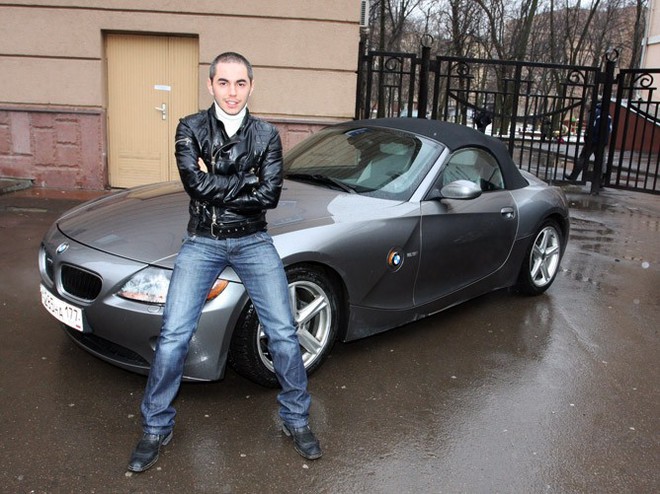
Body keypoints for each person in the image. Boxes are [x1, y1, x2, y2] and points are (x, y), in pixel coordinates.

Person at [127, 52, 321, 473]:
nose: (232, 92)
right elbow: (193, 184)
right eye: (223, 82)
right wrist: (246, 180)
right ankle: (156, 427)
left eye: (240, 83)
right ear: (210, 85)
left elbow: (268, 195)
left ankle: (296, 419)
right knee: (174, 335)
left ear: (251, 86)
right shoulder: (190, 127)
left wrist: (216, 179)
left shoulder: (267, 134)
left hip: (253, 240)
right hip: (203, 240)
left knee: (283, 332)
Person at [565, 101, 612, 181]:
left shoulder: (594, 112)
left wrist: (587, 136)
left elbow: (590, 126)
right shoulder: (608, 114)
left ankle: (573, 176)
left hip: (592, 140)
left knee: (583, 158)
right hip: (602, 141)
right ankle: (601, 180)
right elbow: (610, 129)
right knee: (601, 160)